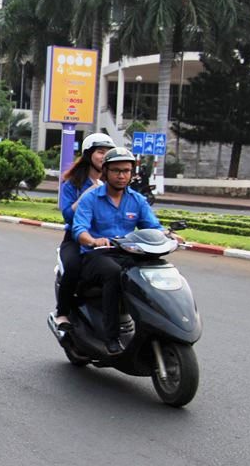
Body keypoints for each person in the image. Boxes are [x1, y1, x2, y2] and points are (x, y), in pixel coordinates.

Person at [73, 147, 174, 355]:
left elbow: (152, 226)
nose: (122, 176)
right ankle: (111, 337)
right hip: (98, 254)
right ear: (105, 172)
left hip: (128, 253)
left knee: (153, 272)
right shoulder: (91, 198)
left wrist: (169, 235)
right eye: (117, 170)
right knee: (114, 274)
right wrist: (92, 240)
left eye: (126, 171)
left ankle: (155, 326)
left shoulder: (137, 200)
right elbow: (79, 229)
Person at [54, 133, 115, 330]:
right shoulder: (73, 184)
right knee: (72, 267)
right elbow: (68, 216)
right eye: (100, 152)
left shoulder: (113, 183)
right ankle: (62, 313)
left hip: (107, 239)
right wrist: (88, 195)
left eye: (108, 153)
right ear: (89, 155)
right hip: (76, 239)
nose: (104, 157)